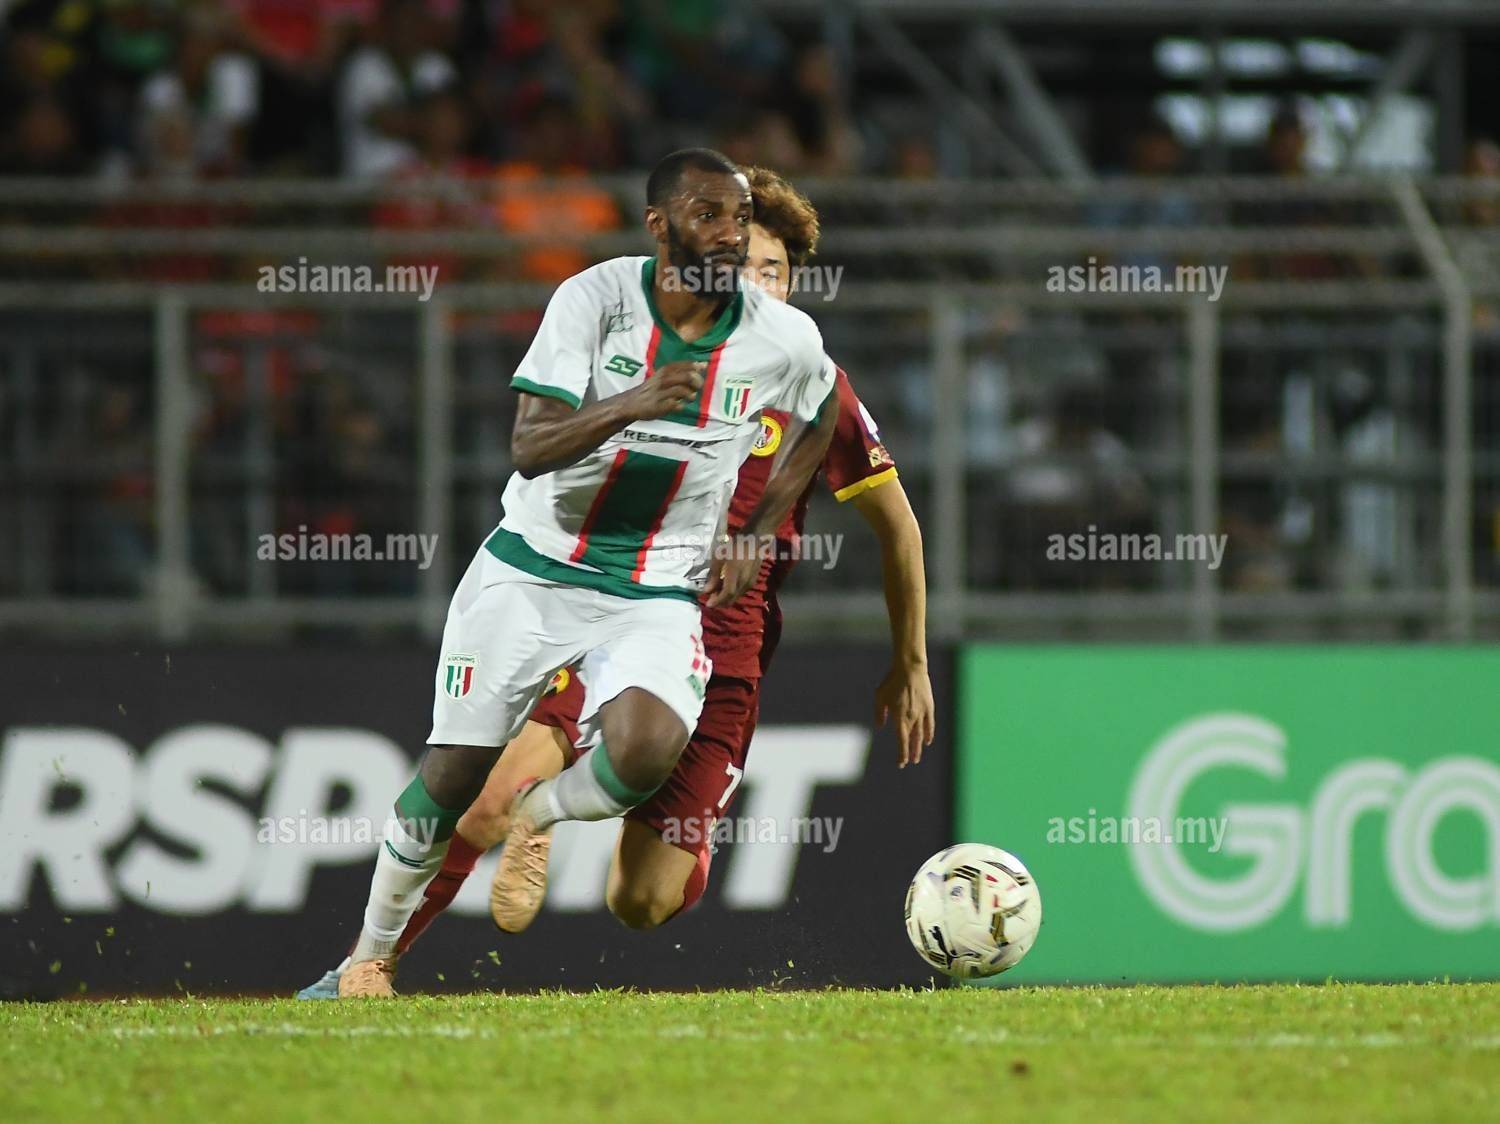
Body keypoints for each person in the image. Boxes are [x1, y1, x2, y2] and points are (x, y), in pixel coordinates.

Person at [296, 165, 933, 999]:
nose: (754, 281)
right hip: (608, 594)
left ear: (794, 284)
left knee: (644, 900)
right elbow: (539, 439)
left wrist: (910, 660)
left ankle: (593, 814)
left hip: (723, 647)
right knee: (483, 800)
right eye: (744, 262)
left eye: (773, 270)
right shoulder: (628, 318)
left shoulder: (806, 370)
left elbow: (897, 524)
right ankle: (362, 967)